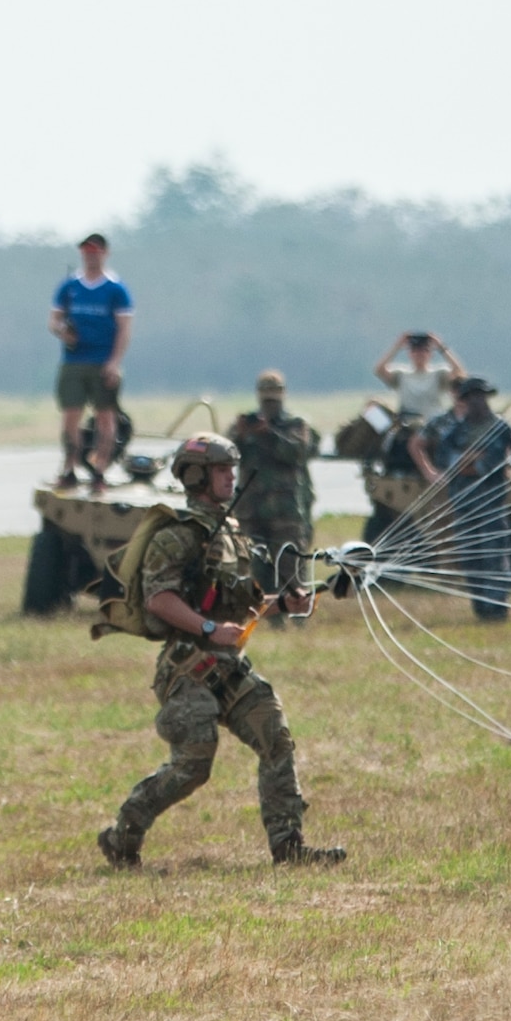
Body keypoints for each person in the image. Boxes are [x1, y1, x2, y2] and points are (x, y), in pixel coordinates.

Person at [97, 434, 344, 869]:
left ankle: (288, 847)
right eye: (221, 470)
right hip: (187, 667)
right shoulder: (176, 534)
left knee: (276, 740)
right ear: (196, 476)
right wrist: (208, 627)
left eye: (232, 469)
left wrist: (285, 604)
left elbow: (238, 602)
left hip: (229, 665)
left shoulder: (229, 532)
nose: (231, 477)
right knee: (194, 762)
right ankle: (122, 836)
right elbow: (159, 599)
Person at [414, 376, 511, 621]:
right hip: (464, 503)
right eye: (471, 397)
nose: (477, 401)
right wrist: (470, 459)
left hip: (490, 502)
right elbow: (445, 458)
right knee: (471, 556)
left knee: (494, 555)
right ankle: (481, 607)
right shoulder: (456, 430)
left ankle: (496, 608)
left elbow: (493, 462)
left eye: (480, 396)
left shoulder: (499, 428)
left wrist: (470, 462)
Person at [47, 233, 133, 489]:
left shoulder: (115, 289)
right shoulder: (69, 287)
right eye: (86, 252)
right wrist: (63, 331)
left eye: (95, 251)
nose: (90, 256)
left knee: (105, 416)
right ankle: (69, 467)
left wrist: (114, 362)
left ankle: (100, 470)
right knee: (70, 415)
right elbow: (53, 320)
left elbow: (124, 329)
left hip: (103, 361)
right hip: (74, 360)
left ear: (105, 253)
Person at [228, 371, 320, 607]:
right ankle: (261, 612)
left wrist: (268, 433)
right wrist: (240, 434)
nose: (270, 404)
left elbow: (297, 452)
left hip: (286, 510)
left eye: (274, 398)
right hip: (251, 509)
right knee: (254, 565)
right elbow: (226, 456)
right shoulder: (247, 424)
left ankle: (297, 615)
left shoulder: (295, 424)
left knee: (290, 565)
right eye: (266, 398)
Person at [374, 331, 466, 424]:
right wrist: (397, 346)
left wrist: (441, 347)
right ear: (409, 354)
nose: (419, 354)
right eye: (415, 351)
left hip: (432, 425)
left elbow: (459, 372)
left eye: (424, 350)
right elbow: (379, 370)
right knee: (373, 405)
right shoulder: (401, 374)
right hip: (407, 424)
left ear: (430, 354)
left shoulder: (439, 374)